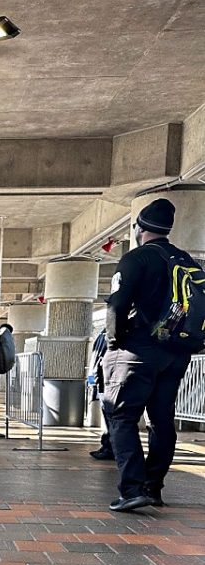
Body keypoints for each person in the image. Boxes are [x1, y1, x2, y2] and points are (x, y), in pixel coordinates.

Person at [103, 198, 193, 512]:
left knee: (122, 415)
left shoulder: (135, 259)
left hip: (138, 351)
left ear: (139, 228)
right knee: (161, 420)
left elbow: (116, 307)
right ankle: (153, 487)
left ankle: (132, 489)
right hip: (176, 355)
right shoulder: (186, 261)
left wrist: (115, 343)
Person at [88, 329, 114, 460]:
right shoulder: (105, 333)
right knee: (110, 418)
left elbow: (98, 362)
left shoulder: (106, 334)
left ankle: (109, 448)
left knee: (111, 418)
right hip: (104, 381)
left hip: (106, 383)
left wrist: (95, 382)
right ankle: (107, 446)